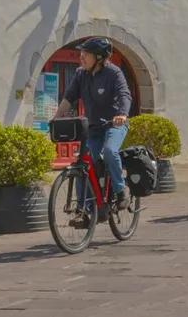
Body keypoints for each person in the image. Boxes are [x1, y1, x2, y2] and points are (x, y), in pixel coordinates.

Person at [54, 38, 133, 213]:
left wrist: (122, 114)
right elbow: (69, 97)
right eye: (81, 54)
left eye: (85, 55)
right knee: (84, 165)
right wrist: (57, 116)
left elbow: (124, 94)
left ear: (99, 57)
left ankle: (121, 190)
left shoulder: (114, 73)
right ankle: (86, 209)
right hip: (93, 128)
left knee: (110, 151)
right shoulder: (80, 74)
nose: (81, 58)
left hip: (114, 126)